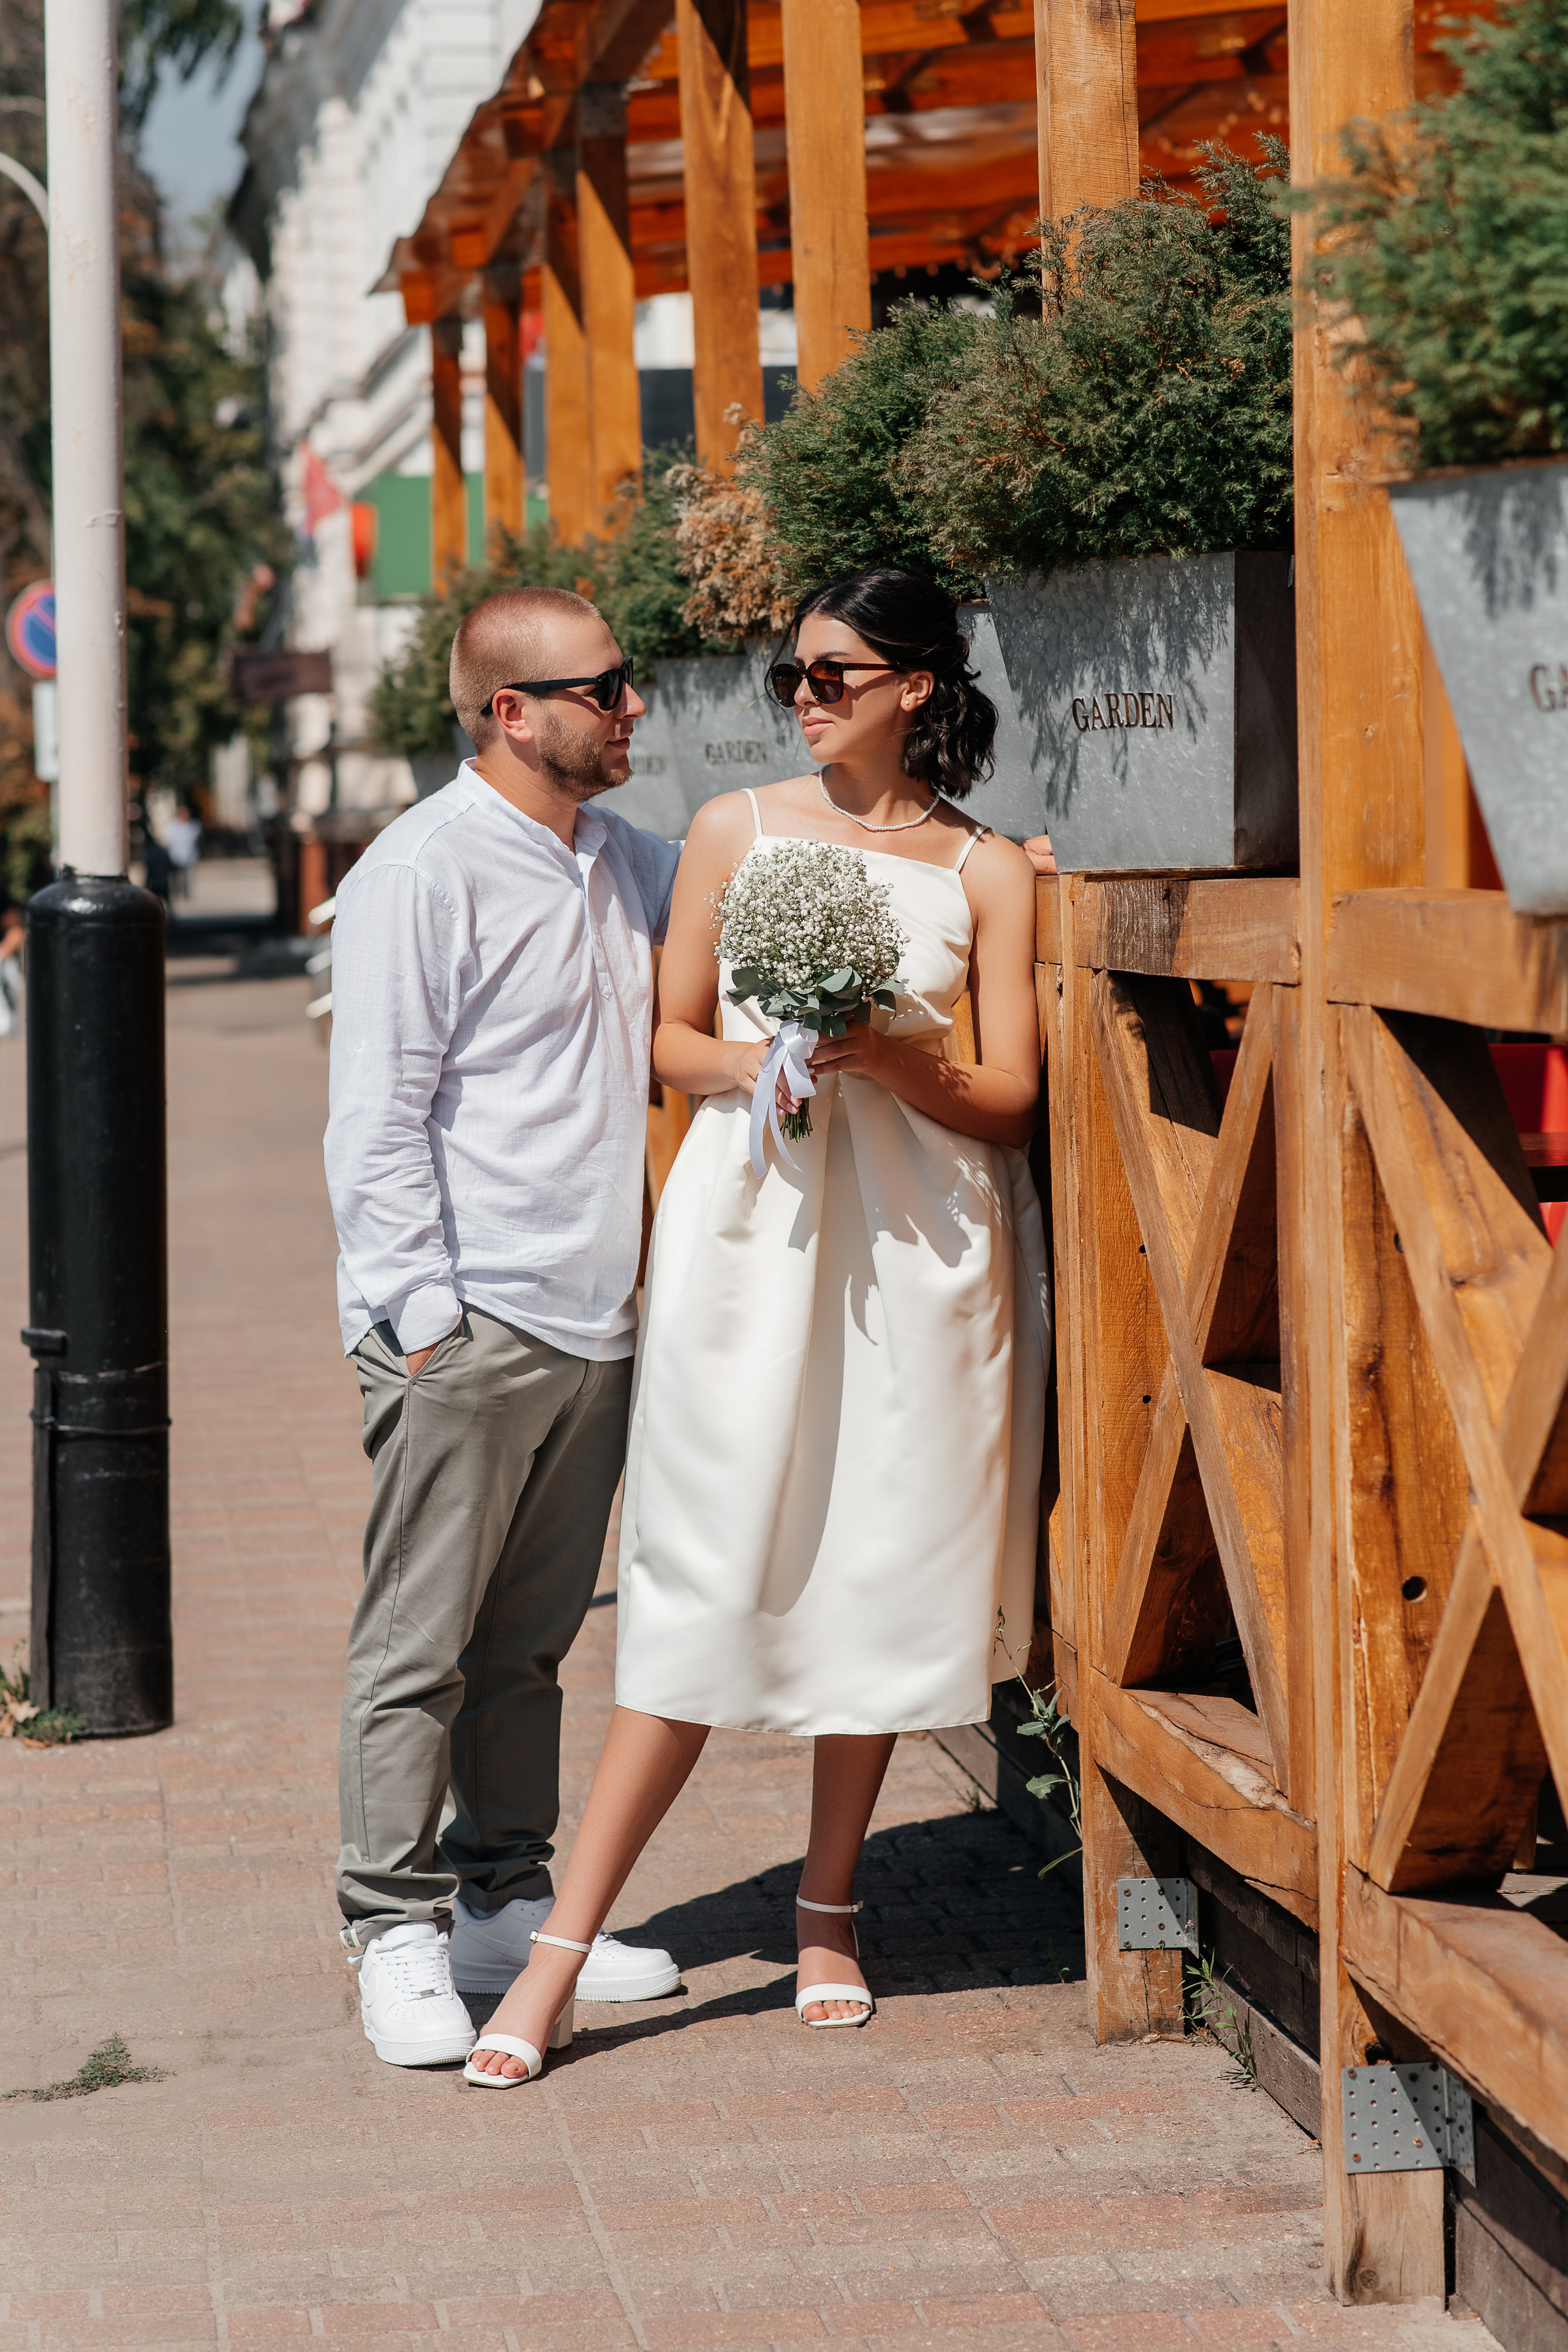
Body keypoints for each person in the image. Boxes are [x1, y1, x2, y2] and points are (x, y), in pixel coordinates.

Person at [465, 565, 1051, 2084]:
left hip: (920, 1251)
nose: (802, 695)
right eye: (790, 674)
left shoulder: (990, 868)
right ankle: (556, 1959)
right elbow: (666, 1039)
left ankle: (828, 1905)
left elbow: (1008, 1097)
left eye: (833, 672)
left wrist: (884, 1053)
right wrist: (770, 1064)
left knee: (875, 1561)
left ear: (917, 687)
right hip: (749, 1235)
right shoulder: (730, 828)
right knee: (697, 1566)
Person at [323, 586, 684, 2069]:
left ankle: (501, 1898)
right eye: (605, 687)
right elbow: (375, 1116)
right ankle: (389, 1925)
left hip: (591, 1318)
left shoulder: (620, 857)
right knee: (418, 1644)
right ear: (511, 712)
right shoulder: (422, 868)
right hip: (465, 1319)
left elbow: (769, 875)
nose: (634, 706)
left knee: (526, 1647)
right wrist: (421, 1319)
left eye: (629, 680)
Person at [164, 802, 202, 900]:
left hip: (189, 856)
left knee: (187, 877)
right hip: (175, 856)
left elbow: (197, 841)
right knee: (175, 877)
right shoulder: (172, 827)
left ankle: (186, 894)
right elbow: (168, 841)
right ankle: (175, 893)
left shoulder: (194, 826)